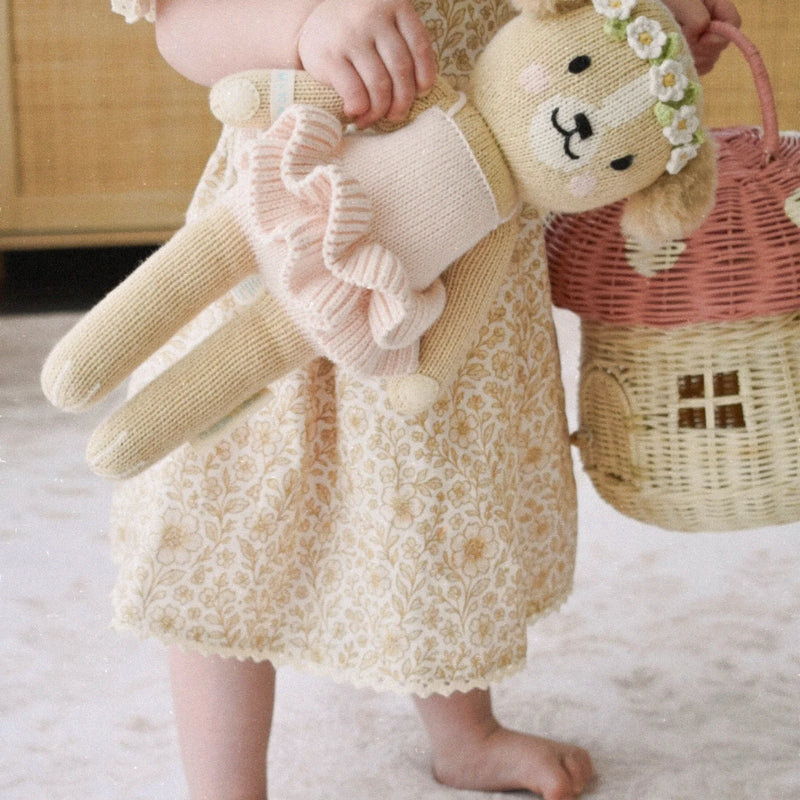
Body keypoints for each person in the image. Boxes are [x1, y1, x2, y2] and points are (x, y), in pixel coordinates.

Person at [108, 1, 740, 798]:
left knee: (443, 505)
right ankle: (225, 788)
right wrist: (300, 28)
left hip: (470, 247)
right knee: (229, 515)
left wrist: (650, 39)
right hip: (297, 235)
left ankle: (465, 733)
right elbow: (182, 25)